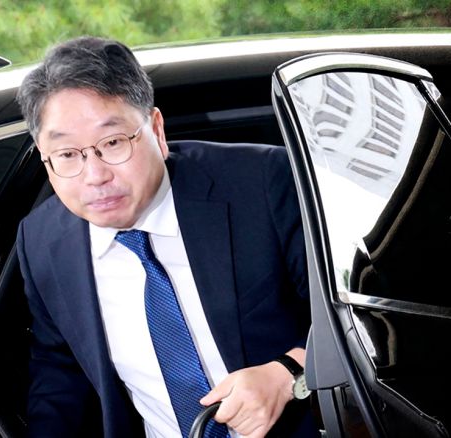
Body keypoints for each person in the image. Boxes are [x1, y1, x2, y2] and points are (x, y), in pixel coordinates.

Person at [16, 36, 316, 438]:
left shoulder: (261, 185)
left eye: (113, 143)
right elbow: (59, 371)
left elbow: (360, 320)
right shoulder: (42, 241)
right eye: (68, 154)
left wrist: (287, 373)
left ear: (156, 129)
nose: (95, 175)